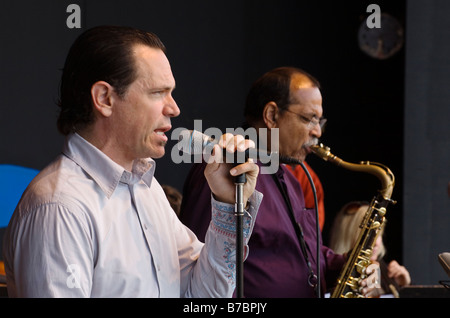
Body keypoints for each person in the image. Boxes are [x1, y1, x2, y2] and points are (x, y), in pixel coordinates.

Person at [2, 25, 262, 298]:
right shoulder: (60, 208)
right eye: (158, 92)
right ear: (105, 98)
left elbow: (202, 297)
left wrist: (225, 204)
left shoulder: (146, 189)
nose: (174, 108)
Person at [180, 67, 378, 297]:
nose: (317, 132)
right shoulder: (224, 168)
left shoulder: (292, 178)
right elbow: (199, 265)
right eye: (308, 119)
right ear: (272, 115)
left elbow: (300, 255)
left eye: (319, 121)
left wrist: (348, 265)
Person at [329, 201, 411, 297]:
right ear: (347, 238)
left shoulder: (389, 273)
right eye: (370, 238)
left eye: (378, 235)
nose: (376, 243)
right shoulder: (329, 277)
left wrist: (404, 286)